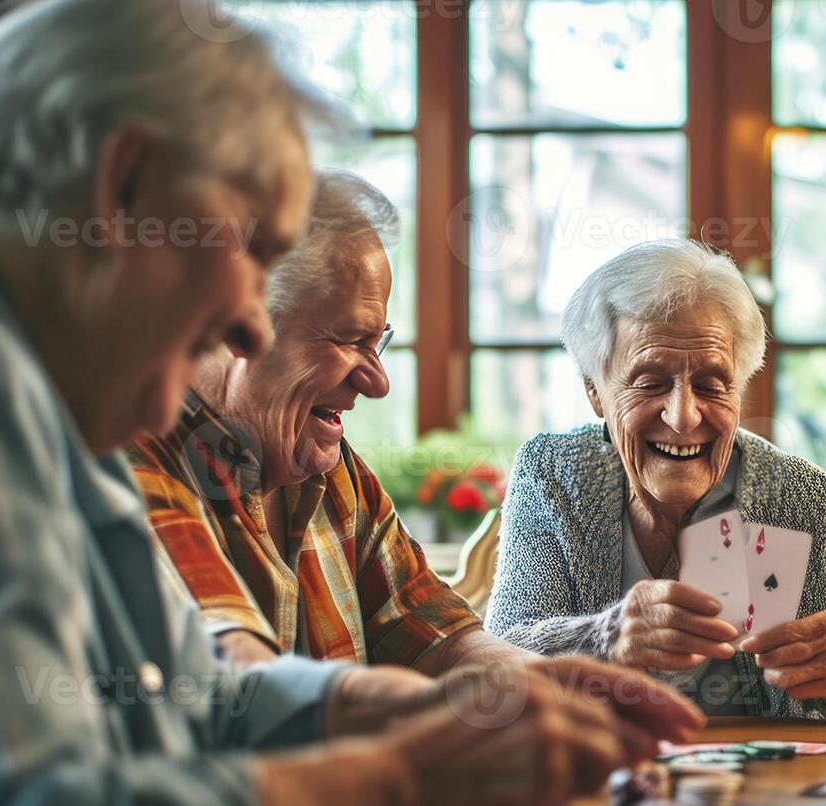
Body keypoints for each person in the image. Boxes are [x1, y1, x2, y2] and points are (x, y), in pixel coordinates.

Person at [0, 2, 697, 806]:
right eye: (250, 248)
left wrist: (420, 711)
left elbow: (203, 699)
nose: (247, 322)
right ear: (126, 187)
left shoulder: (63, 409)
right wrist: (404, 777)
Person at [130, 169, 531, 675]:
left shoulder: (330, 467)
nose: (377, 382)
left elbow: (439, 635)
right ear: (238, 324)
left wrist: (548, 685)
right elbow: (241, 677)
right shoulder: (139, 462)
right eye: (348, 342)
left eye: (377, 342)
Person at [488, 240, 826, 718]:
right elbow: (499, 656)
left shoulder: (795, 495)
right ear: (594, 389)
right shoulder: (555, 474)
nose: (684, 417)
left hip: (757, 779)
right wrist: (606, 637)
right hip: (601, 769)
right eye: (650, 382)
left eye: (712, 384)